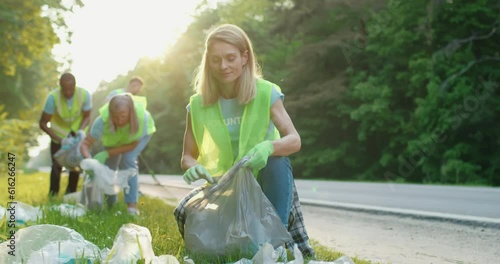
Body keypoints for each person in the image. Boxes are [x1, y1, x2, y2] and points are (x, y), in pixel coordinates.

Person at [173, 23, 316, 258]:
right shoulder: (198, 105)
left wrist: (269, 146)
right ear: (208, 62)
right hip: (224, 186)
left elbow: (294, 140)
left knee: (276, 162)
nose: (223, 66)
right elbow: (187, 156)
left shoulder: (266, 93)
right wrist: (193, 166)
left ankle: (272, 247)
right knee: (185, 214)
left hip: (264, 183)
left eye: (230, 58)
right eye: (216, 59)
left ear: (244, 57)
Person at [80, 93, 156, 215]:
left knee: (128, 159)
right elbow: (85, 143)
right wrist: (89, 161)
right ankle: (111, 204)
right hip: (114, 140)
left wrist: (107, 153)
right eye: (115, 117)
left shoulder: (142, 119)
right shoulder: (101, 121)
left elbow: (132, 146)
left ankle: (131, 207)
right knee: (109, 167)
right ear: (110, 114)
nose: (119, 121)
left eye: (123, 116)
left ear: (130, 113)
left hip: (136, 139)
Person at [39, 73, 91, 196]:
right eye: (65, 89)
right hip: (59, 136)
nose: (68, 92)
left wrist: (81, 130)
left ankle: (70, 194)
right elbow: (43, 123)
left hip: (76, 135)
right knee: (57, 165)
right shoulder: (53, 97)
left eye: (71, 89)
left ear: (75, 85)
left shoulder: (84, 95)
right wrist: (59, 140)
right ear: (60, 86)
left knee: (75, 166)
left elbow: (87, 116)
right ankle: (53, 195)